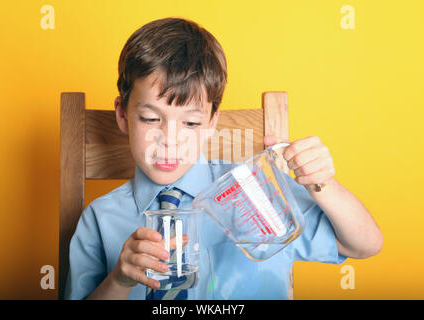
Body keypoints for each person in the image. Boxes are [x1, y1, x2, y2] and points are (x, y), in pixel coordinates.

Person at [64, 17, 383, 300]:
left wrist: (322, 184)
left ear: (212, 122)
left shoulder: (255, 191)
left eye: (190, 123)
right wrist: (119, 280)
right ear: (122, 115)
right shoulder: (100, 219)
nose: (171, 139)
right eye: (150, 118)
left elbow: (364, 245)